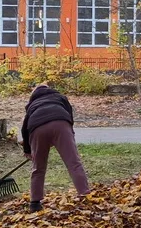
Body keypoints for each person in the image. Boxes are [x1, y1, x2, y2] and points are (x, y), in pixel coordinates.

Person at [21, 84, 91, 212]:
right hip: (61, 124)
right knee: (74, 163)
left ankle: (35, 203)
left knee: (38, 168)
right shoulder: (60, 97)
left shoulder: (32, 105)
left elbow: (24, 129)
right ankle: (85, 196)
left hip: (37, 129)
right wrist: (69, 133)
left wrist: (28, 150)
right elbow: (69, 115)